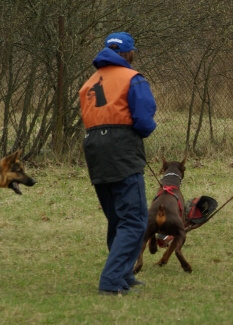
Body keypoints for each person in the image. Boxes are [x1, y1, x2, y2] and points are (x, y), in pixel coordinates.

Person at [79, 31, 157, 295]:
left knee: (117, 218)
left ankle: (124, 275)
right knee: (134, 220)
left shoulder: (89, 82)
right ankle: (112, 282)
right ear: (130, 53)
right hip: (121, 148)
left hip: (93, 147)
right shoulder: (132, 79)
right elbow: (144, 121)